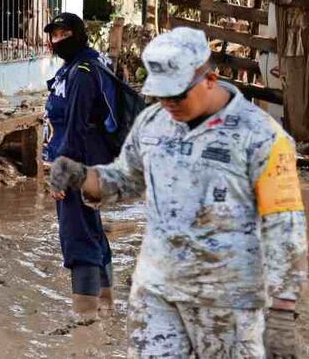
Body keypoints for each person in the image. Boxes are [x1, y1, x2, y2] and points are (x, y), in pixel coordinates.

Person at [50, 27, 307, 357]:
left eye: (177, 95)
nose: (168, 104)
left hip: (227, 304)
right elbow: (123, 180)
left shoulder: (262, 137)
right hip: (158, 296)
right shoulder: (153, 124)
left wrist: (283, 313)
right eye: (161, 95)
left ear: (209, 79)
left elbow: (285, 227)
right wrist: (81, 176)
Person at [42, 12, 118, 323]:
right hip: (88, 160)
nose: (58, 40)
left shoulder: (83, 72)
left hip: (78, 164)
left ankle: (85, 320)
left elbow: (74, 128)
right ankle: (106, 304)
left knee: (77, 235)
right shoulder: (78, 66)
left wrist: (60, 176)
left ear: (78, 34)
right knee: (93, 230)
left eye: (64, 34)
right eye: (54, 35)